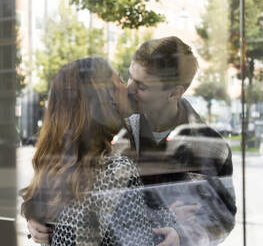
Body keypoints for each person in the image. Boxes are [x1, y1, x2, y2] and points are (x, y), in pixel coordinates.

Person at [28, 36, 236, 245]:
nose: (128, 89)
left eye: (141, 86)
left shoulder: (212, 147)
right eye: (129, 77)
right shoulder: (112, 124)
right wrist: (35, 214)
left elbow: (222, 218)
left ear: (174, 93)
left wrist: (183, 236)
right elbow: (63, 168)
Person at [21, 57, 180, 245]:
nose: (127, 87)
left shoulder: (65, 166)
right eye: (120, 79)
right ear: (107, 98)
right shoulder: (114, 169)